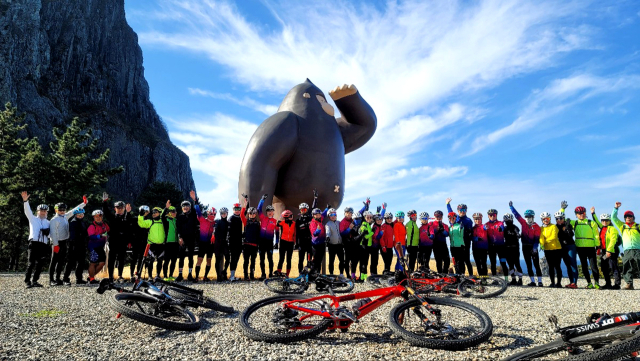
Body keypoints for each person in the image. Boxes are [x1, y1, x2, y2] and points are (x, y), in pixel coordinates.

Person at [560, 201, 600, 289]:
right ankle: (589, 283)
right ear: (576, 215)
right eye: (579, 213)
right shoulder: (575, 222)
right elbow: (561, 218)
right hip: (580, 247)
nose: (582, 214)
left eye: (583, 213)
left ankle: (597, 283)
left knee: (594, 266)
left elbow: (596, 235)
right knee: (584, 267)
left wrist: (598, 246)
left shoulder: (591, 223)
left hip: (591, 247)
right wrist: (563, 208)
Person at [48, 198, 87, 286]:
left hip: (64, 241)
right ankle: (51, 280)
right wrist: (55, 244)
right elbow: (53, 233)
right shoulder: (54, 220)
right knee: (54, 261)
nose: (62, 211)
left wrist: (84, 203)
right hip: (56, 242)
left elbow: (74, 211)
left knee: (61, 261)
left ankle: (58, 279)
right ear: (56, 210)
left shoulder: (65, 216)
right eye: (60, 210)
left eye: (63, 210)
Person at [21, 191, 51, 288]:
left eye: (44, 211)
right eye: (41, 210)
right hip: (33, 243)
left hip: (43, 244)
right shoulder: (33, 219)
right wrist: (25, 201)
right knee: (31, 263)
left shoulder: (48, 222)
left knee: (40, 264)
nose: (43, 212)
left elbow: (52, 234)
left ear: (47, 212)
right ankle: (27, 281)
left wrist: (49, 233)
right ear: (38, 211)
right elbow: (27, 211)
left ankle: (35, 281)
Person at [102, 193, 134, 282]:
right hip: (113, 241)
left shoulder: (127, 216)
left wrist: (129, 241)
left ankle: (120, 275)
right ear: (115, 209)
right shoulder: (112, 217)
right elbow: (106, 212)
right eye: (118, 208)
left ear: (124, 208)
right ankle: (111, 276)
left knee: (121, 259)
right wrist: (104, 202)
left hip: (123, 241)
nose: (119, 210)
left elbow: (129, 227)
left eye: (121, 208)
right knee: (111, 259)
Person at [510, 202, 543, 286]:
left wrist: (535, 248)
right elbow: (517, 216)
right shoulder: (523, 223)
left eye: (530, 217)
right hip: (525, 247)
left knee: (536, 264)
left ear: (533, 217)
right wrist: (511, 207)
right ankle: (532, 281)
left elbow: (537, 239)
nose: (528, 218)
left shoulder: (537, 227)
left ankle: (540, 281)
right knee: (529, 265)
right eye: (527, 217)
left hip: (533, 247)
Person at [612, 202, 640, 290]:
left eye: (630, 216)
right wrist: (616, 208)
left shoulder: (638, 226)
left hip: (638, 249)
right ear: (624, 218)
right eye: (626, 217)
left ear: (633, 217)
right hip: (627, 250)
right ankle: (629, 284)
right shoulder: (622, 226)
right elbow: (613, 218)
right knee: (627, 267)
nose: (628, 218)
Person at [591, 208, 621, 289]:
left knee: (613, 267)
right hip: (604, 252)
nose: (605, 222)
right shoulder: (602, 228)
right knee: (604, 268)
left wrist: (609, 251)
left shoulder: (612, 229)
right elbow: (596, 222)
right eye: (603, 220)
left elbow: (613, 240)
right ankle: (608, 284)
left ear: (609, 220)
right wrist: (593, 213)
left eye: (606, 220)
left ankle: (617, 285)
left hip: (612, 251)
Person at [138, 205, 168, 281]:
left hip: (161, 245)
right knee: (150, 261)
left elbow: (164, 215)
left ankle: (157, 275)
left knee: (160, 261)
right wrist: (141, 215)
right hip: (151, 245)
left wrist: (166, 208)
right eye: (152, 212)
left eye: (155, 212)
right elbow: (141, 224)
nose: (153, 214)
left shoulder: (163, 222)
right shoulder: (150, 221)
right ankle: (150, 277)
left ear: (160, 213)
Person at [341, 200, 369, 280]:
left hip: (354, 244)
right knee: (347, 260)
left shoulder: (353, 220)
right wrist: (349, 229)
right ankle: (348, 275)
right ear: (345, 213)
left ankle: (354, 276)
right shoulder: (343, 222)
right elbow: (342, 233)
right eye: (348, 213)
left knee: (354, 260)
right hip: (347, 243)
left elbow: (360, 212)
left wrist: (366, 205)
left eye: (350, 213)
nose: (349, 214)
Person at [176, 191, 199, 282]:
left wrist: (195, 199)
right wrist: (180, 237)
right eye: (184, 206)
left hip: (191, 238)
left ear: (189, 207)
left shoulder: (193, 214)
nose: (185, 207)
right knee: (181, 257)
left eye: (187, 206)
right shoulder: (180, 217)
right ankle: (180, 275)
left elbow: (196, 208)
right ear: (182, 208)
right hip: (182, 239)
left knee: (190, 257)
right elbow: (178, 228)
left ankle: (190, 274)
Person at [447, 199, 474, 276]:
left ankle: (471, 275)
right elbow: (450, 212)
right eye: (461, 210)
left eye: (464, 210)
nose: (462, 211)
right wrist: (447, 204)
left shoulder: (468, 220)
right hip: (457, 244)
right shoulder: (456, 218)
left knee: (467, 260)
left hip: (466, 242)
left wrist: (469, 233)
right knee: (458, 260)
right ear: (458, 210)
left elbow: (471, 232)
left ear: (466, 210)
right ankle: (460, 275)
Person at [295, 190, 319, 274]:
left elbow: (314, 208)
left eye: (305, 209)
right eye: (302, 209)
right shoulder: (298, 220)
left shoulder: (310, 217)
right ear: (300, 210)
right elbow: (297, 232)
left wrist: (315, 198)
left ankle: (309, 273)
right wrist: (296, 243)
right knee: (300, 259)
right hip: (302, 242)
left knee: (309, 259)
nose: (303, 210)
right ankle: (300, 273)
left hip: (309, 242)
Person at [63, 208, 89, 285]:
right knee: (70, 262)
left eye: (82, 214)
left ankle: (79, 279)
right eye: (79, 215)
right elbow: (73, 236)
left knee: (81, 262)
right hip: (73, 245)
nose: (80, 216)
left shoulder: (83, 222)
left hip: (81, 244)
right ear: (75, 215)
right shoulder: (73, 222)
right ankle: (65, 279)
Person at [539, 212, 563, 287]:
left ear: (550, 219)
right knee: (550, 266)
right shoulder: (541, 228)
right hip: (547, 250)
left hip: (556, 249)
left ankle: (559, 283)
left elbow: (553, 237)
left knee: (557, 266)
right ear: (542, 220)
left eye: (548, 219)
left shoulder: (554, 226)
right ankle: (552, 282)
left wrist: (545, 242)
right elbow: (541, 237)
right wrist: (541, 244)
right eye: (544, 219)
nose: (546, 220)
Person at [257, 195, 278, 279]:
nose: (269, 212)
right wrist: (262, 200)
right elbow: (258, 209)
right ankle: (263, 274)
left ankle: (270, 274)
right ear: (266, 212)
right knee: (262, 259)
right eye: (268, 210)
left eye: (271, 210)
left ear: (273, 212)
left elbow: (277, 233)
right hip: (261, 242)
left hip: (269, 242)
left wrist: (276, 242)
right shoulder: (263, 218)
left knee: (270, 259)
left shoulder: (275, 221)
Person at [194, 201, 216, 282]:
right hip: (202, 243)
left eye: (214, 214)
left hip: (210, 244)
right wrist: (195, 201)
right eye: (211, 214)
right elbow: (198, 211)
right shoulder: (203, 220)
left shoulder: (215, 223)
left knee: (209, 260)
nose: (212, 216)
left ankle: (205, 276)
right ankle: (196, 277)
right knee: (199, 260)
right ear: (208, 213)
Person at [556, 211, 578, 289]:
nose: (559, 220)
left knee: (573, 264)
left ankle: (574, 283)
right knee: (568, 265)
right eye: (557, 219)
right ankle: (571, 282)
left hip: (570, 246)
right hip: (562, 247)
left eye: (561, 218)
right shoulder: (555, 226)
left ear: (564, 218)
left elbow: (571, 234)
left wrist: (567, 229)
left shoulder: (568, 224)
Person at [241, 194, 260, 280]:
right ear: (248, 214)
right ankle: (245, 275)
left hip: (255, 245)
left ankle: (252, 274)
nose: (252, 215)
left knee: (253, 261)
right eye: (250, 213)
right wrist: (245, 205)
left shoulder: (258, 223)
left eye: (253, 213)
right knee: (246, 261)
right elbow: (242, 215)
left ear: (255, 214)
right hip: (246, 244)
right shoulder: (246, 222)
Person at [87, 209, 109, 284]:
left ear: (102, 217)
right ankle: (92, 278)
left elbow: (109, 231)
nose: (98, 218)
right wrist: (100, 236)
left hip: (101, 247)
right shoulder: (92, 226)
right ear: (93, 217)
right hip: (93, 247)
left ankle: (91, 277)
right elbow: (91, 236)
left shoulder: (104, 224)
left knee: (102, 263)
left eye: (99, 216)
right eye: (96, 217)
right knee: (93, 263)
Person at [485, 209, 508, 278]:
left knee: (503, 263)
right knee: (493, 263)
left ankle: (506, 279)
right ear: (488, 216)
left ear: (496, 215)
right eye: (490, 215)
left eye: (494, 215)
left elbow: (502, 227)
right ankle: (495, 279)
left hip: (501, 247)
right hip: (491, 247)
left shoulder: (500, 223)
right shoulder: (487, 224)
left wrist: (501, 228)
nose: (492, 217)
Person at [503, 213, 523, 285]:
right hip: (507, 248)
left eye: (509, 220)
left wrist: (518, 235)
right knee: (510, 265)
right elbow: (500, 232)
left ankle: (520, 280)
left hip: (515, 248)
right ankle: (513, 279)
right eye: (506, 220)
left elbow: (517, 232)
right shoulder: (504, 228)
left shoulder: (515, 227)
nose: (508, 221)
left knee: (517, 264)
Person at [131, 206, 150, 278]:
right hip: (136, 241)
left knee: (142, 259)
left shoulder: (149, 220)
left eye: (146, 211)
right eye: (143, 211)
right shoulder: (135, 219)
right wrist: (130, 241)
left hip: (144, 242)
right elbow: (131, 230)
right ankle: (131, 274)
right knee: (134, 258)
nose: (145, 213)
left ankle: (138, 274)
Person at [275, 210, 296, 277]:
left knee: (289, 259)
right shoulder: (282, 223)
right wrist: (281, 219)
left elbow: (295, 233)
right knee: (281, 258)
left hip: (290, 242)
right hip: (283, 242)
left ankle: (287, 274)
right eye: (290, 216)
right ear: (286, 217)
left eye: (292, 215)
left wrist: (295, 242)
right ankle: (278, 272)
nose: (292, 217)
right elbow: (277, 224)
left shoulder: (294, 223)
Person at [162, 205, 180, 281]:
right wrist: (165, 208)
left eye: (175, 211)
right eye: (173, 212)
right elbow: (162, 216)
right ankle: (165, 276)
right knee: (166, 260)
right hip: (167, 243)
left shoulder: (176, 220)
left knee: (174, 260)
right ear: (169, 213)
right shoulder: (166, 220)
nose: (175, 213)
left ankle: (171, 275)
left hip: (175, 243)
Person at [310, 205, 329, 272]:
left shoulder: (320, 219)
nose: (318, 216)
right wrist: (318, 230)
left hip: (322, 243)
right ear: (313, 215)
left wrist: (327, 208)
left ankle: (317, 273)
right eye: (316, 215)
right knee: (316, 260)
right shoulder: (312, 223)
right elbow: (314, 234)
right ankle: (313, 273)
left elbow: (323, 214)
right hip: (316, 245)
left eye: (319, 215)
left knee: (320, 260)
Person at [325, 208, 344, 276]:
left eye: (334, 214)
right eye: (331, 214)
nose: (333, 216)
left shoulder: (339, 222)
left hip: (340, 245)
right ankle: (331, 274)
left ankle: (341, 273)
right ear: (329, 216)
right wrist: (327, 237)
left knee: (342, 260)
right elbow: (328, 232)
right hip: (332, 245)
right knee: (331, 261)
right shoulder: (328, 224)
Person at [228, 203, 244, 282]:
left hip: (239, 242)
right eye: (235, 209)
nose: (237, 211)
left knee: (237, 258)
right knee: (233, 259)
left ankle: (233, 275)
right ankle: (231, 276)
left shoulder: (241, 218)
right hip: (232, 242)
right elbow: (229, 232)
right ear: (233, 210)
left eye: (238, 209)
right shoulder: (231, 218)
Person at [357, 211, 375, 280]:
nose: (369, 218)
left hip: (368, 246)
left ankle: (364, 278)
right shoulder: (363, 226)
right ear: (364, 217)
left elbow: (376, 218)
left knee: (365, 263)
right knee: (363, 263)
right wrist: (372, 232)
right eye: (368, 217)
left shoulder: (368, 225)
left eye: (370, 217)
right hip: (364, 246)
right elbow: (365, 237)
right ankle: (363, 278)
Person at [214, 207, 230, 281]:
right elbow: (215, 232)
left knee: (228, 258)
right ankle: (218, 275)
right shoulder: (218, 222)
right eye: (222, 213)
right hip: (218, 242)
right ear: (220, 214)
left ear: (227, 214)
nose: (223, 214)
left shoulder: (228, 223)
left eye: (225, 213)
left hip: (225, 242)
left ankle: (224, 271)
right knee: (217, 260)